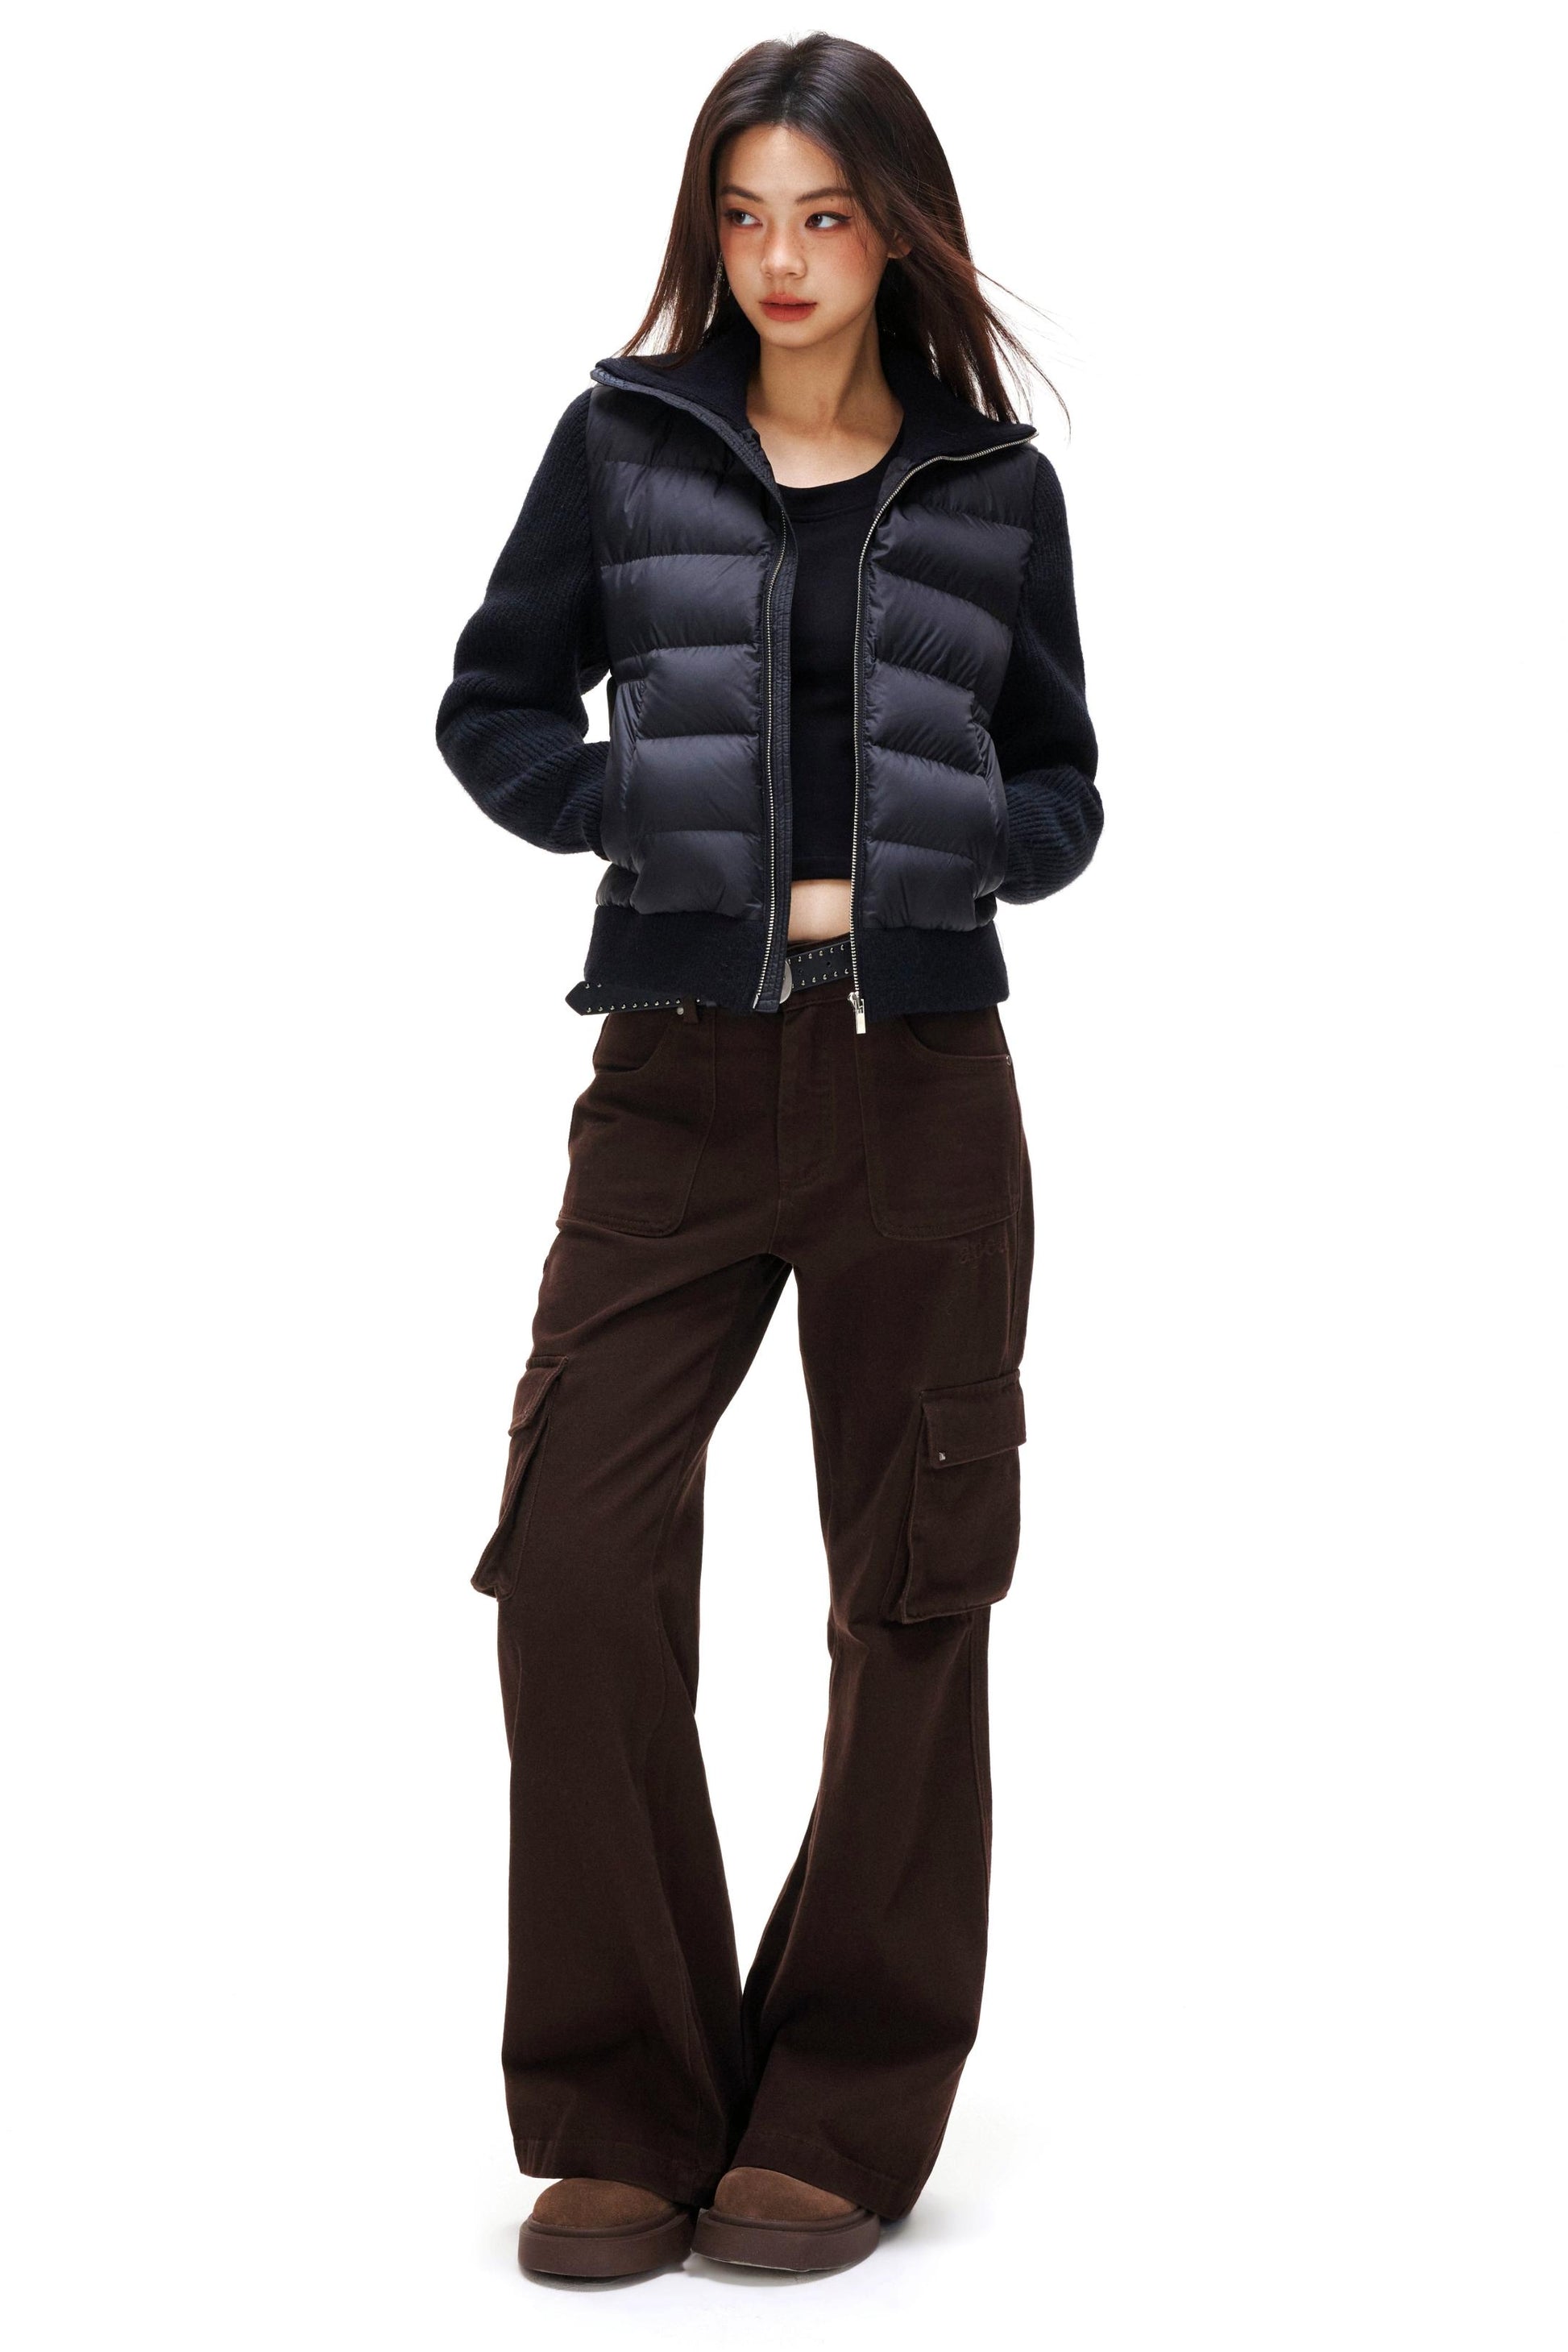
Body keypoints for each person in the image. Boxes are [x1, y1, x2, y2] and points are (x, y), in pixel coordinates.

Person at [434, 31, 1101, 2283]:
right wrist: (654, 819)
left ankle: (838, 2103)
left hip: (919, 1084)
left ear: (895, 229)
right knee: (574, 1565)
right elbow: (493, 711)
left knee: (912, 1585)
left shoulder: (994, 487)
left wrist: (931, 857)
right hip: (673, 1084)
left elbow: (1064, 790)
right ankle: (625, 2102)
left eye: (823, 215)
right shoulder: (626, 443)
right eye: (744, 216)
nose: (781, 259)